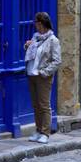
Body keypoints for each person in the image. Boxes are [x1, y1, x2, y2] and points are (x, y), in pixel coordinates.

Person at [24, 11, 61, 142]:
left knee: (44, 105)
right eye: (36, 24)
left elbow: (56, 61)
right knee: (36, 105)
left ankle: (45, 132)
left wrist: (44, 72)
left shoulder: (53, 40)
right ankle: (38, 130)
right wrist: (27, 46)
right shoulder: (35, 38)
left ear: (44, 24)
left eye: (38, 24)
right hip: (31, 74)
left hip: (43, 76)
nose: (36, 26)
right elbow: (32, 54)